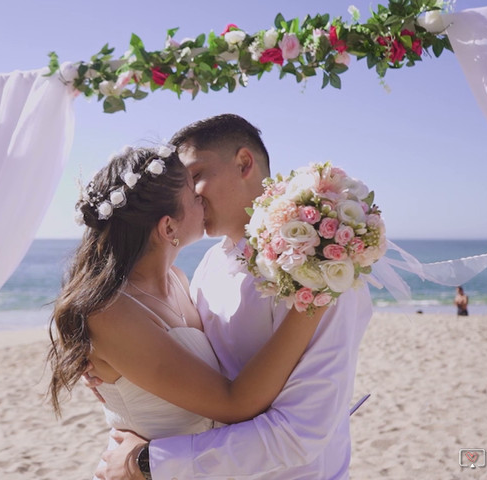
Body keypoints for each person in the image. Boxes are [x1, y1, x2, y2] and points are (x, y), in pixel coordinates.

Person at [93, 114, 374, 480]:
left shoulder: (321, 271)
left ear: (244, 163)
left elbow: (299, 433)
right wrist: (116, 367)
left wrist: (153, 461)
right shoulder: (210, 264)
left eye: (195, 177)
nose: (188, 194)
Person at [47, 145, 331, 476]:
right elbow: (234, 403)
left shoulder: (178, 280)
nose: (201, 196)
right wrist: (313, 299)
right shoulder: (110, 312)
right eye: (191, 191)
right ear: (168, 228)